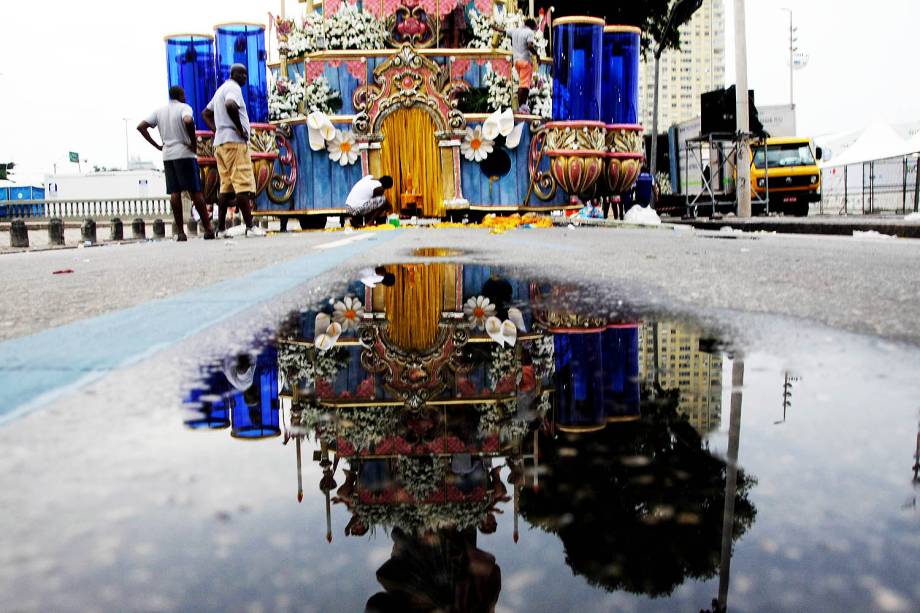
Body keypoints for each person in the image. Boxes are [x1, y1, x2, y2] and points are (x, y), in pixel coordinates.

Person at [137, 85, 216, 240]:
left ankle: (180, 232)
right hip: (185, 153)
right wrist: (193, 143)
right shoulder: (184, 108)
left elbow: (141, 126)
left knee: (175, 192)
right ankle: (208, 228)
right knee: (195, 191)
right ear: (180, 95)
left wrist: (158, 145)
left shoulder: (159, 111)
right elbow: (187, 120)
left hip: (168, 155)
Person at [202, 64, 266, 238]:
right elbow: (230, 104)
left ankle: (221, 229)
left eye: (246, 73)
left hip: (221, 144)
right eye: (242, 73)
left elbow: (206, 113)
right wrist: (239, 128)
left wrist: (217, 130)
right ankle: (250, 227)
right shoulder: (233, 88)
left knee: (226, 186)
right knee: (242, 185)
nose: (245, 76)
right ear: (234, 74)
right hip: (235, 143)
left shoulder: (221, 89)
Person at [494, 18, 539, 114]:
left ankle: (519, 104)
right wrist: (537, 54)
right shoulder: (529, 32)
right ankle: (520, 105)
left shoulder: (515, 30)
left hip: (516, 62)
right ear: (532, 26)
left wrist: (494, 28)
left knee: (522, 83)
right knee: (525, 85)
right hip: (525, 61)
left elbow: (503, 31)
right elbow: (530, 45)